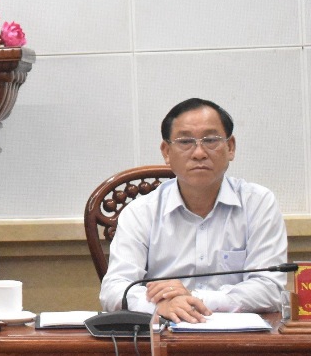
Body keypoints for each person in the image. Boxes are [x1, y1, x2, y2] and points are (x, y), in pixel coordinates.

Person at [99, 98, 288, 323]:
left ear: (230, 147)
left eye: (210, 140)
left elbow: (270, 288)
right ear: (166, 151)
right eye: (186, 141)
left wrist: (196, 299)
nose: (199, 153)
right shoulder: (141, 212)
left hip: (240, 340)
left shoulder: (258, 204)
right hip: (165, 336)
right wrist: (160, 305)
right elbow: (114, 289)